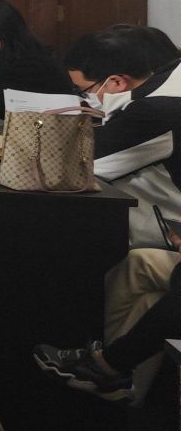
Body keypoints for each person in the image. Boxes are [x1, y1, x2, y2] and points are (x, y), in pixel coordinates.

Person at [33, 27, 181, 405]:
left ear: (116, 81)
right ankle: (116, 385)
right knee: (135, 269)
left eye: (84, 89)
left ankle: (107, 368)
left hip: (169, 225)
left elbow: (81, 165)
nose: (84, 97)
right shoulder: (163, 90)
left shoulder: (160, 108)